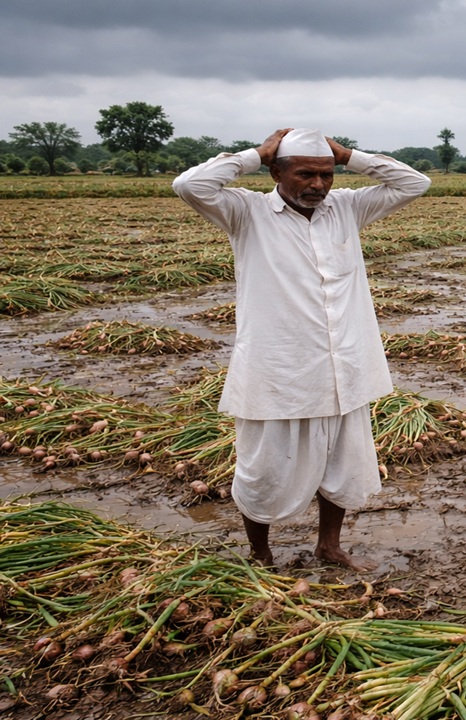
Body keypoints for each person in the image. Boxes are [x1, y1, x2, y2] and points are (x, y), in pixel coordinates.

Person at [173, 128, 430, 571]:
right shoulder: (246, 212)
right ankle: (260, 554)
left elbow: (415, 183)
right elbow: (189, 185)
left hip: (344, 366)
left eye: (326, 174)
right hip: (280, 370)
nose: (318, 185)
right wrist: (256, 153)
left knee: (342, 464)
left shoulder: (347, 207)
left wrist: (350, 156)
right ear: (276, 172)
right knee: (264, 471)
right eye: (305, 174)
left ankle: (329, 546)